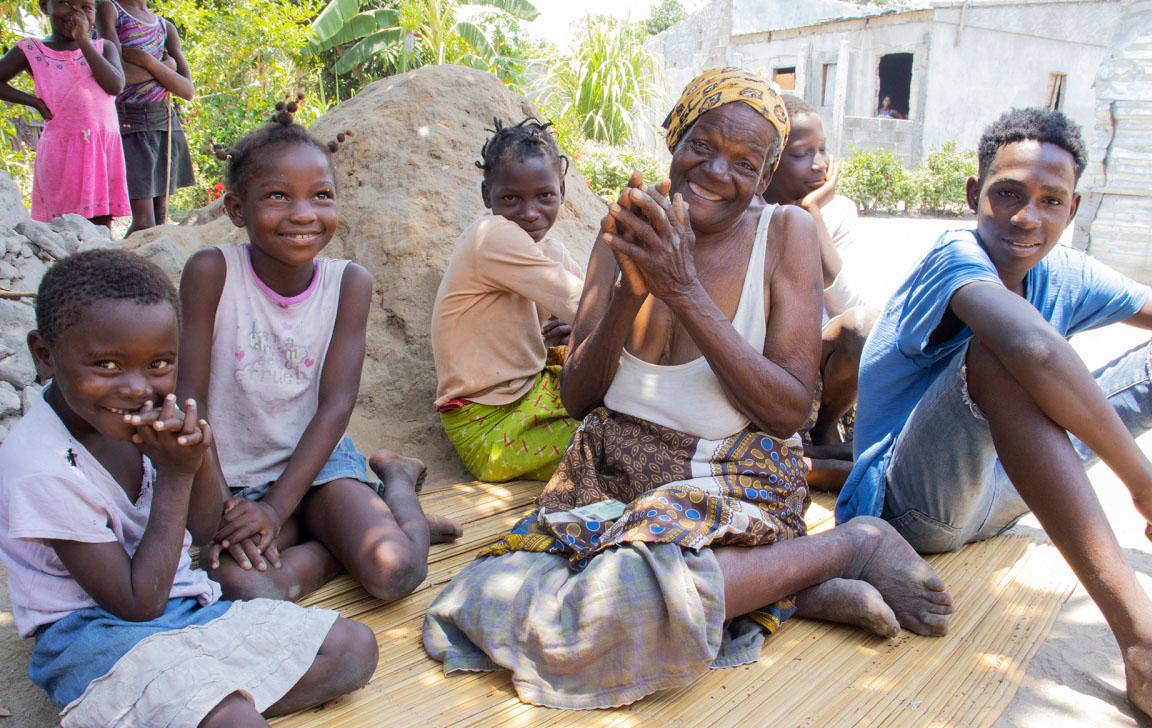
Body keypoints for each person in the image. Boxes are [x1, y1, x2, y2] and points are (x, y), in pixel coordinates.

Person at [424, 68, 952, 710]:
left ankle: (853, 545)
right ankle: (786, 583)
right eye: (702, 145)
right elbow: (578, 400)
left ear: (764, 178)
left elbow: (788, 410)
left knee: (611, 606)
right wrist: (627, 292)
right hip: (610, 476)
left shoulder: (786, 233)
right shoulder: (628, 223)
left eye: (744, 162)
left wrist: (682, 291)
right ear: (676, 137)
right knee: (479, 598)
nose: (715, 172)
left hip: (726, 475)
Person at [836, 108, 1152, 717]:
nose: (1026, 217)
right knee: (1004, 353)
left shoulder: (1065, 269)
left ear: (1073, 208)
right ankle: (1141, 642)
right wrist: (1141, 483)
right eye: (1006, 194)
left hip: (1006, 492)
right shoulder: (954, 258)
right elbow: (1028, 347)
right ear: (972, 195)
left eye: (1050, 201)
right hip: (915, 507)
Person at [0, 249, 377, 727]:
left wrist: (194, 458)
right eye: (107, 365)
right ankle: (192, 705)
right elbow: (137, 604)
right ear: (45, 355)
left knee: (352, 649)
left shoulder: (153, 421)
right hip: (95, 636)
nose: (138, 388)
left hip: (186, 607)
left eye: (159, 363)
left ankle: (186, 705)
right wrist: (176, 474)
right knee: (233, 719)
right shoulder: (41, 466)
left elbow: (204, 530)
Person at [178, 108, 462, 604]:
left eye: (321, 195)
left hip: (316, 468)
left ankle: (395, 482)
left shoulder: (348, 284)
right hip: (231, 478)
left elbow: (336, 406)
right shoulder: (212, 273)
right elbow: (190, 401)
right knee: (232, 583)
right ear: (236, 210)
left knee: (396, 570)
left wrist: (277, 507)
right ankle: (339, 541)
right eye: (277, 196)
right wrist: (232, 508)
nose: (304, 213)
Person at [431, 117, 585, 482]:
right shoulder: (493, 235)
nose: (529, 212)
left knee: (618, 407)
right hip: (487, 425)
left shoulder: (550, 248)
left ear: (562, 190)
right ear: (488, 196)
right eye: (511, 198)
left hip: (531, 395)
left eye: (545, 196)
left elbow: (587, 300)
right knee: (611, 443)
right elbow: (587, 306)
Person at [763, 94, 877, 491]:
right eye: (802, 153)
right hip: (760, 367)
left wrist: (812, 214)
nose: (820, 164)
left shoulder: (836, 212)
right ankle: (809, 458)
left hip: (814, 364)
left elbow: (851, 308)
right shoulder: (748, 214)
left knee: (862, 327)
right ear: (768, 161)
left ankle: (822, 432)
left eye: (823, 150)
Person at [0, 0, 130, 226]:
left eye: (86, 8)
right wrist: (34, 102)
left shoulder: (103, 48)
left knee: (99, 227)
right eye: (65, 3)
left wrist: (82, 41)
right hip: (62, 155)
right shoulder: (32, 50)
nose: (76, 13)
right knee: (62, 225)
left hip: (101, 151)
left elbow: (115, 85)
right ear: (44, 6)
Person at [96, 0, 196, 235]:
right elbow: (120, 76)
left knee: (160, 220)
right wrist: (166, 68)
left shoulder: (165, 27)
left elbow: (187, 90)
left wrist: (146, 60)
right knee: (144, 223)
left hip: (164, 122)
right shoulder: (110, 9)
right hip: (129, 121)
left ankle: (147, 269)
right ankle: (123, 269)